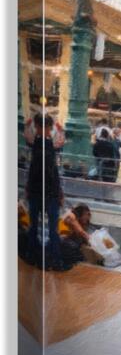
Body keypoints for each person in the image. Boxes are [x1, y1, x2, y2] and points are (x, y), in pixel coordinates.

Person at [24, 115, 66, 270]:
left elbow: (27, 135)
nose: (44, 130)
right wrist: (59, 128)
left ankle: (32, 256)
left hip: (37, 190)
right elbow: (60, 141)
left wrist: (29, 125)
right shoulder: (50, 145)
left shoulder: (35, 143)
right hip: (49, 192)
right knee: (52, 229)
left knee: (34, 226)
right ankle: (55, 259)